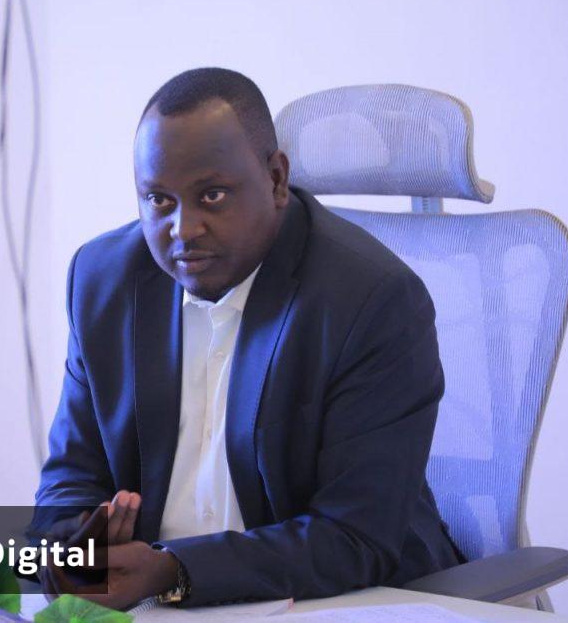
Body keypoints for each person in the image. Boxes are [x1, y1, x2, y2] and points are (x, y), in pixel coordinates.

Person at [31, 67, 463, 609]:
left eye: (212, 195)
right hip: (154, 608)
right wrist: (72, 543)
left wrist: (173, 569)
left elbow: (355, 537)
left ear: (277, 179)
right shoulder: (103, 282)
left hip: (341, 601)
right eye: (159, 200)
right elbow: (70, 477)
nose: (183, 229)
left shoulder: (371, 300)